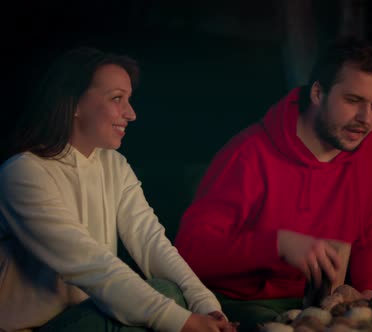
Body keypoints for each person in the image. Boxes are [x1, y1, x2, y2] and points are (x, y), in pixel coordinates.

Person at [0, 47, 233, 332]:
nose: (131, 114)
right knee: (163, 305)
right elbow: (88, 263)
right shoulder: (23, 172)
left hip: (91, 313)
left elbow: (150, 241)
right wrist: (184, 322)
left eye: (129, 100)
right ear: (74, 103)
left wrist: (207, 307)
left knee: (168, 291)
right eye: (117, 99)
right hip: (32, 327)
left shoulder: (114, 165)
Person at [174, 37, 372, 330]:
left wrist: (371, 298)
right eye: (353, 101)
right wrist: (278, 244)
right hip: (248, 303)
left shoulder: (368, 144)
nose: (365, 119)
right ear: (318, 93)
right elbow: (189, 252)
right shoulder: (249, 154)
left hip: (328, 301)